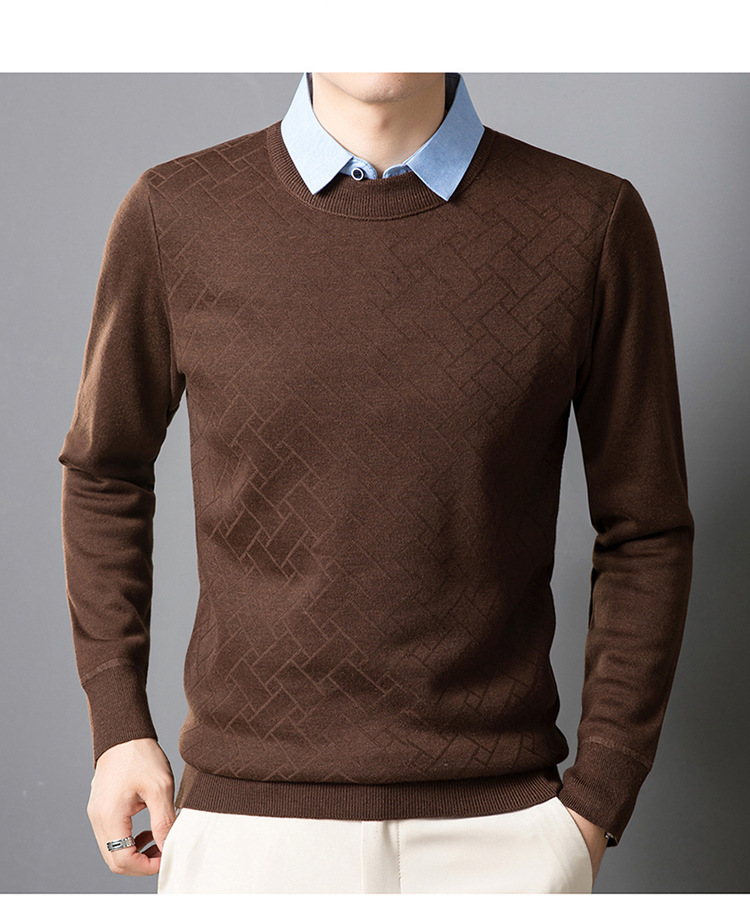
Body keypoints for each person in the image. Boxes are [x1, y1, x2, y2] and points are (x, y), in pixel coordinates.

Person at [58, 72, 694, 894]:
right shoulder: (174, 213)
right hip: (246, 835)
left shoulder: (591, 221)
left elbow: (646, 528)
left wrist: (597, 799)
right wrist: (117, 723)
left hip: (504, 836)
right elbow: (104, 471)